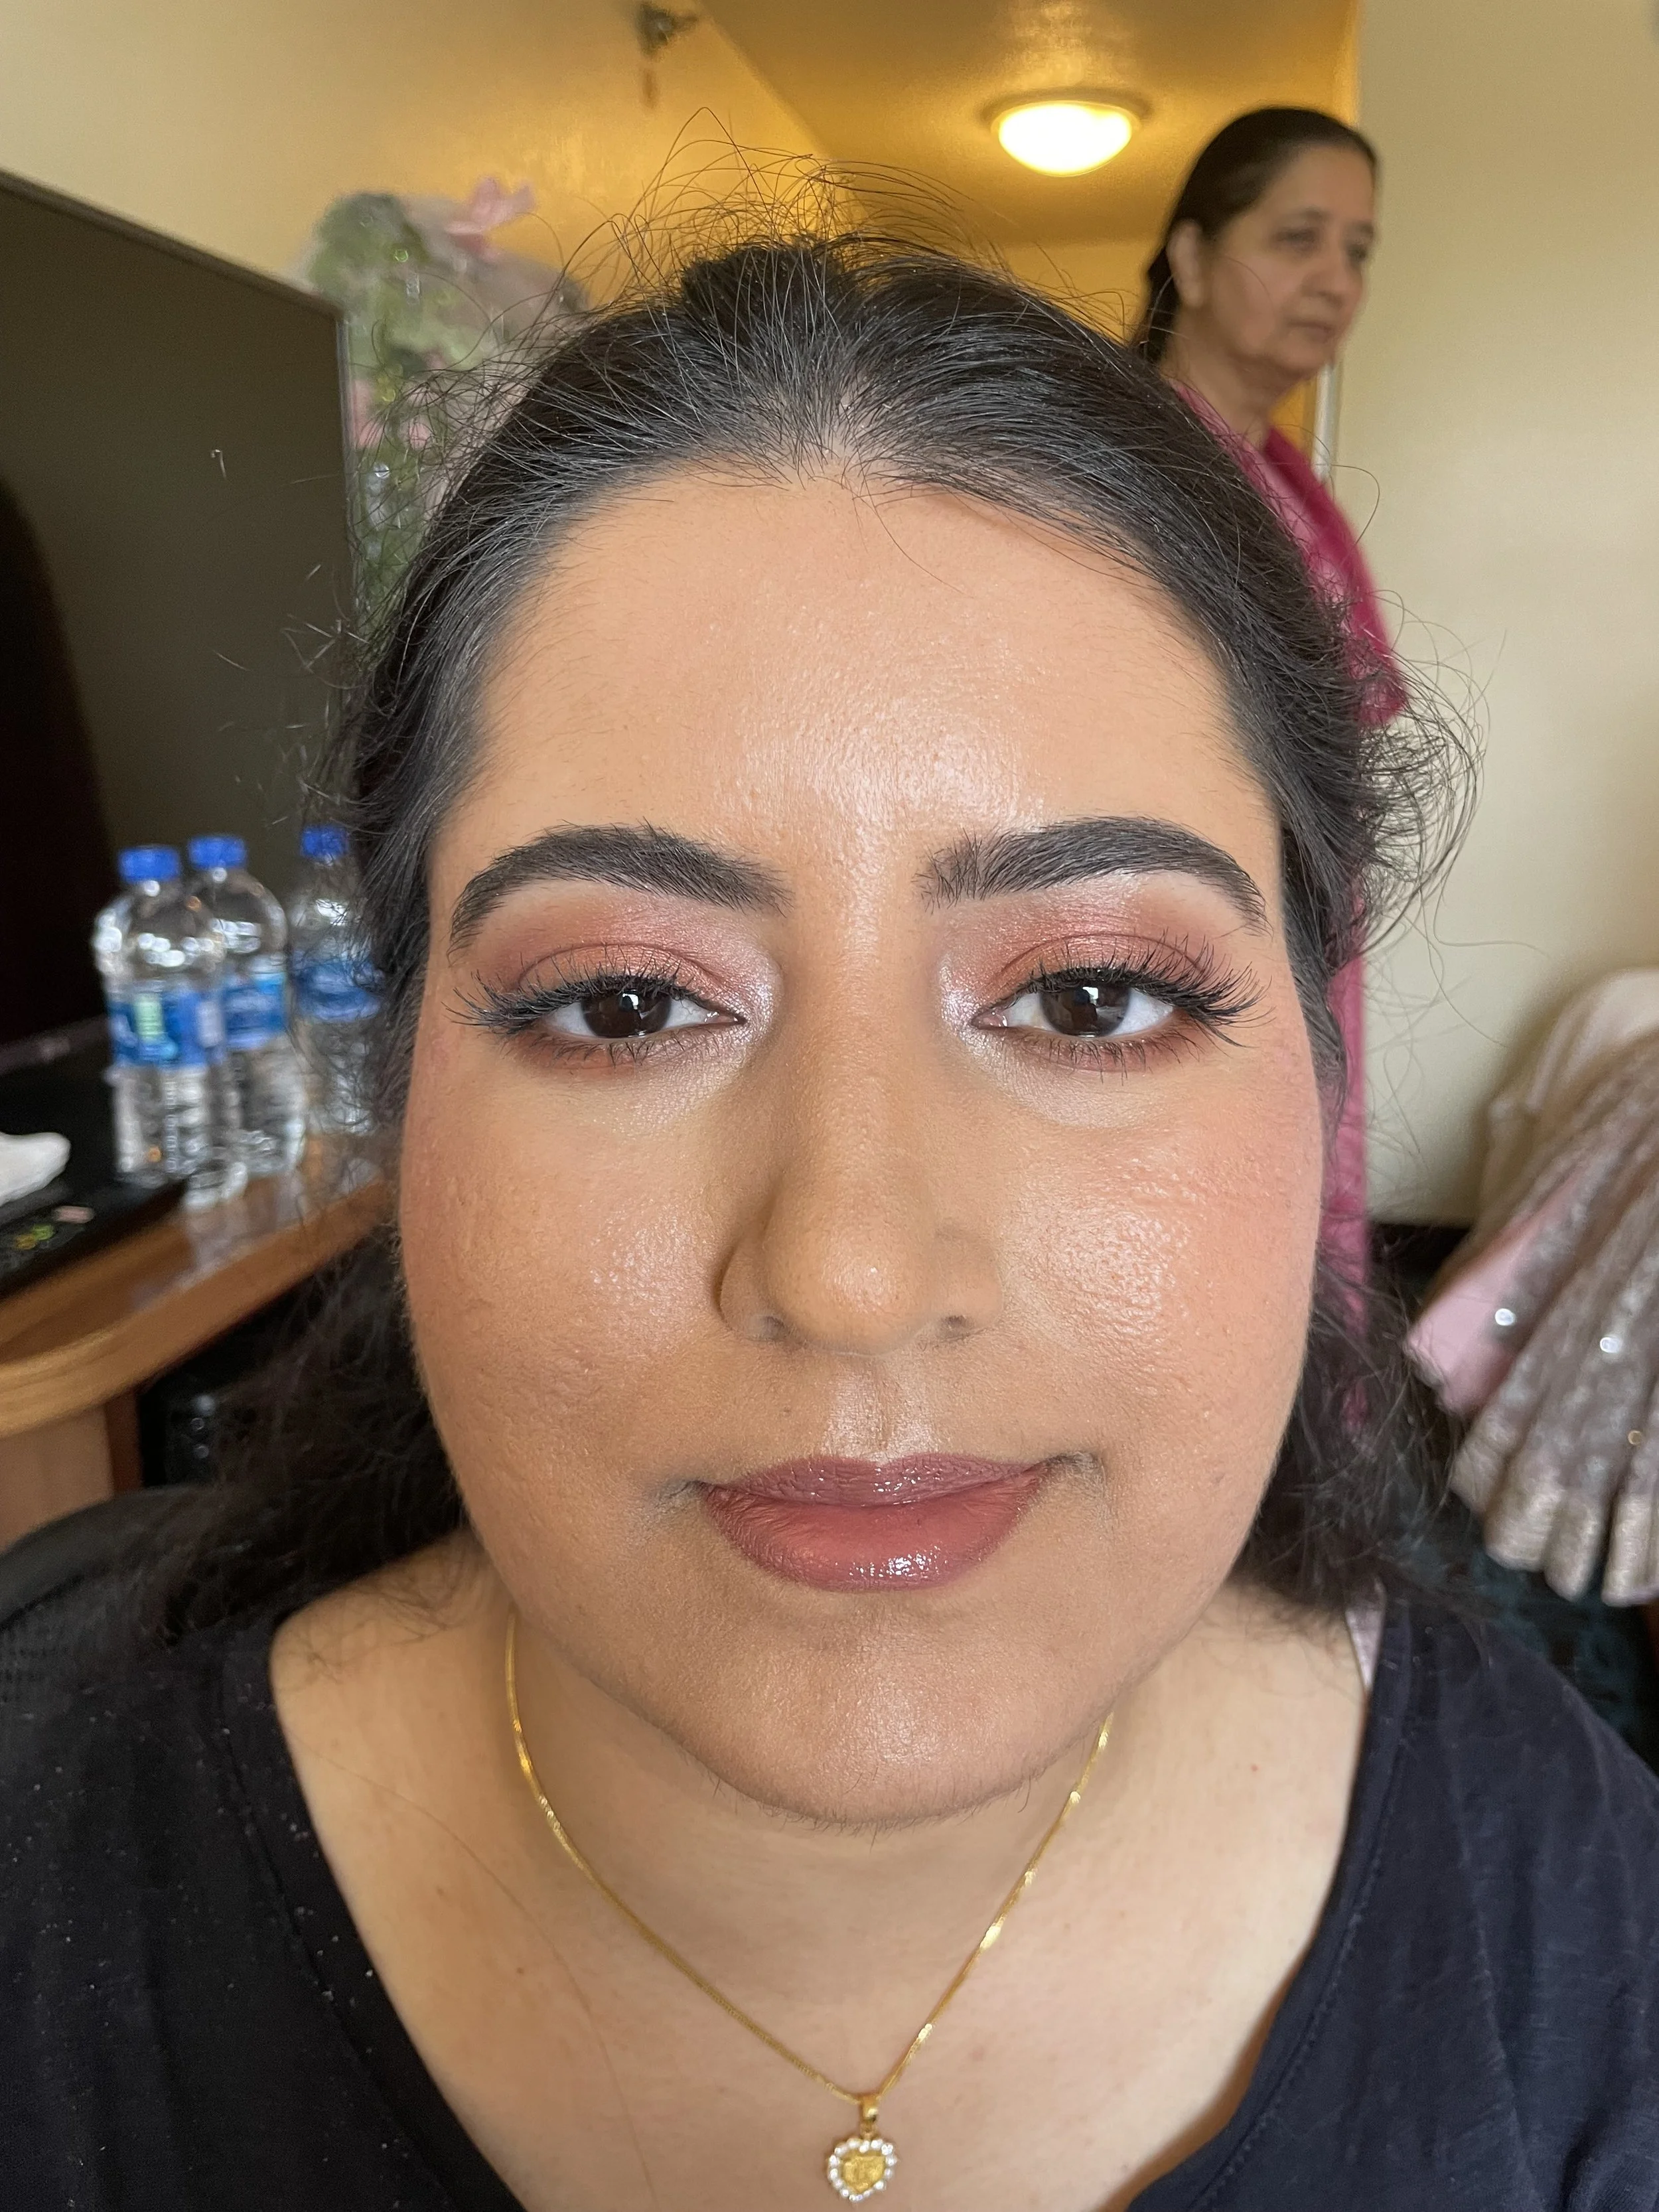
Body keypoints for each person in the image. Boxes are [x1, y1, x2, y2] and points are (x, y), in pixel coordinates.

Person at [3, 224, 1656, 2212]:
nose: (852, 1271)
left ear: (1315, 1059)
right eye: (623, 1002)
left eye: (1088, 995)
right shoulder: (50, 1836)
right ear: (401, 1086)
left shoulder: (1572, 1909)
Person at [1138, 109, 1400, 1285]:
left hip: (1303, 912)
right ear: (1191, 258)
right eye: (1298, 237)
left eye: (1356, 250)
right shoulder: (1119, 464)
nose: (1334, 281)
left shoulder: (1285, 481)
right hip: (1169, 918)